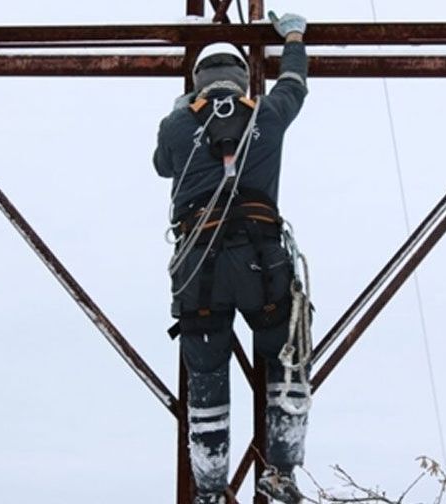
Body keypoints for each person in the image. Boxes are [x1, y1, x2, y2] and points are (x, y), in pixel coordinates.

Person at [153, 12, 310, 504]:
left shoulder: (179, 124)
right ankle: (281, 472)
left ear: (198, 80)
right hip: (261, 261)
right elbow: (294, 83)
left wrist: (184, 111)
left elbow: (162, 165)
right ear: (243, 78)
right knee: (287, 357)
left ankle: (210, 489)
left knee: (207, 376)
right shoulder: (268, 113)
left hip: (199, 268)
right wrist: (294, 37)